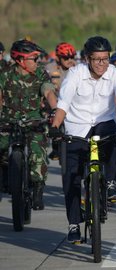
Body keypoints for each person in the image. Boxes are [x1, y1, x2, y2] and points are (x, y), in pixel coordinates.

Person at [50, 36, 116, 243]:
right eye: (97, 59)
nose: (102, 64)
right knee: (71, 176)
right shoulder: (75, 74)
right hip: (77, 128)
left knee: (111, 134)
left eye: (105, 59)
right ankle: (73, 224)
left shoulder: (114, 73)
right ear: (87, 59)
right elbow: (63, 103)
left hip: (103, 122)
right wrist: (55, 127)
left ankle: (110, 182)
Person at [0, 39, 58, 210]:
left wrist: (54, 109)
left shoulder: (40, 73)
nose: (37, 62)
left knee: (37, 153)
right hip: (7, 121)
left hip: (34, 121)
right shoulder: (5, 73)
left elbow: (48, 91)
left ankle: (38, 191)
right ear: (20, 59)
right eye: (33, 58)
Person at [45, 42, 77, 161]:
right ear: (58, 58)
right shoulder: (49, 68)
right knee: (51, 115)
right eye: (66, 58)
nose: (70, 60)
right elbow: (47, 88)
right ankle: (55, 145)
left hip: (73, 102)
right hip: (56, 102)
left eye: (72, 57)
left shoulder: (77, 67)